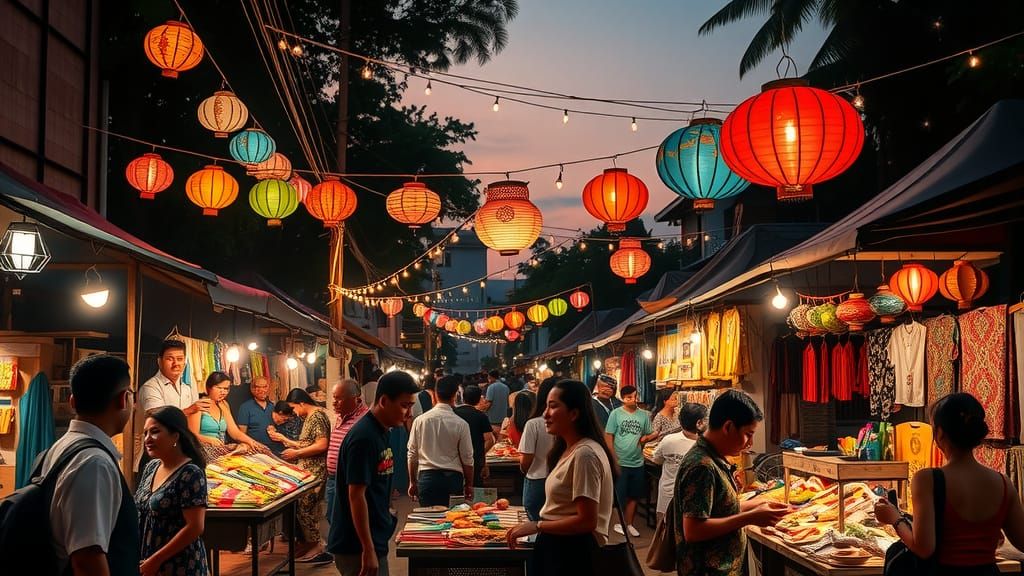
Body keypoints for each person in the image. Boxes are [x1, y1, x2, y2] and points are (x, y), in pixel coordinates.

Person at [874, 393, 1024, 575]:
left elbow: (923, 548)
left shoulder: (927, 479)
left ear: (939, 433)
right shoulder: (1003, 483)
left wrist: (895, 518)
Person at [38, 354, 139, 575]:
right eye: (132, 395)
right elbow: (87, 561)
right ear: (123, 399)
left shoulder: (62, 446)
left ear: (72, 401)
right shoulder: (94, 464)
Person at [506, 379, 616, 573]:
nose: (545, 414)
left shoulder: (585, 454)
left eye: (553, 407)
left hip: (570, 551)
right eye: (546, 406)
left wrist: (537, 525)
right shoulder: (570, 449)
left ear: (574, 414)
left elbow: (587, 521)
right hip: (558, 545)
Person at [676, 389, 790, 576]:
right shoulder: (702, 466)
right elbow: (694, 530)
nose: (750, 443)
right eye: (748, 434)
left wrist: (757, 504)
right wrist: (751, 517)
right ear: (728, 427)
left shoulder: (713, 458)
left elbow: (717, 508)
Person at [328, 371, 420, 576]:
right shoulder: (364, 437)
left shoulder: (382, 431)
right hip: (356, 546)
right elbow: (356, 495)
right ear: (384, 401)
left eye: (411, 406)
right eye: (405, 405)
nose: (409, 413)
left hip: (372, 539)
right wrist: (367, 549)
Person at [136, 406, 208, 576]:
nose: (148, 439)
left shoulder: (190, 472)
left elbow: (195, 527)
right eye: (145, 433)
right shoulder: (151, 467)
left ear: (175, 435)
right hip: (148, 563)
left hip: (180, 564)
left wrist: (156, 560)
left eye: (154, 432)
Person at [268, 389, 331, 563]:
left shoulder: (317, 416)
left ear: (302, 403)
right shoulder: (310, 417)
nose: (293, 412)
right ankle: (307, 543)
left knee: (307, 507)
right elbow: (307, 443)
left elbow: (321, 444)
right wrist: (287, 442)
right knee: (303, 507)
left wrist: (298, 454)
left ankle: (316, 545)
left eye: (293, 407)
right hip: (308, 470)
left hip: (315, 470)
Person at [138, 341, 209, 470]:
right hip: (156, 452)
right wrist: (190, 409)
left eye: (180, 359)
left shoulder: (187, 386)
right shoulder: (151, 387)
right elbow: (156, 418)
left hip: (179, 451)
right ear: (159, 361)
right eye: (170, 359)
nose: (176, 363)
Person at [408, 375, 475, 506]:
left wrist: (412, 481)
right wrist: (469, 484)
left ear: (435, 394)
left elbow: (412, 454)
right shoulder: (461, 424)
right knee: (452, 521)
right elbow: (467, 458)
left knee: (429, 522)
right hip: (452, 481)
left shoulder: (420, 421)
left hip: (427, 480)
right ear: (455, 395)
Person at [604, 385, 658, 537]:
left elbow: (648, 434)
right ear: (623, 398)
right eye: (629, 397)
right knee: (619, 495)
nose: (633, 400)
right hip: (620, 462)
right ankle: (618, 523)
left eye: (634, 396)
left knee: (634, 495)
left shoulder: (643, 415)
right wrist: (613, 457)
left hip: (638, 462)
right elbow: (608, 436)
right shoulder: (616, 414)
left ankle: (629, 524)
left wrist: (650, 437)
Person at [652, 402, 707, 522]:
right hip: (692, 502)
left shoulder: (668, 440)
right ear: (699, 423)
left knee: (663, 533)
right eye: (705, 419)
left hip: (667, 496)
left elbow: (656, 460)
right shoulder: (705, 447)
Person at [326, 380, 368, 527]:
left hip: (351, 480)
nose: (334, 403)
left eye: (339, 398)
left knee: (349, 521)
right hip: (333, 478)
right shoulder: (339, 416)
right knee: (332, 517)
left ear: (356, 398)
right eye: (334, 398)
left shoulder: (364, 420)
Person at [188, 372, 264, 452]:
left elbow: (234, 432)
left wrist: (253, 442)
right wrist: (209, 440)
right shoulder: (199, 405)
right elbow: (192, 435)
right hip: (202, 452)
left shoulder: (224, 404)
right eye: (219, 388)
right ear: (209, 387)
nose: (223, 392)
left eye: (226, 389)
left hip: (220, 451)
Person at [518, 377, 557, 521]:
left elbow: (526, 459)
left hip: (537, 480)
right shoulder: (571, 424)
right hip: (560, 480)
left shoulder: (534, 424)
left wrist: (524, 468)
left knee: (535, 524)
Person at [454, 384, 496, 489]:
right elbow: (489, 440)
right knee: (474, 491)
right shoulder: (481, 416)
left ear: (463, 398)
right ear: (478, 400)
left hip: (455, 460)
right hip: (475, 462)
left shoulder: (454, 414)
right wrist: (479, 453)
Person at [237, 376, 281, 454]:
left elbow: (280, 428)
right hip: (255, 451)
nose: (261, 390)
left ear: (268, 388)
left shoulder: (273, 406)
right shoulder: (245, 407)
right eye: (258, 387)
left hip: (275, 450)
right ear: (252, 389)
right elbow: (241, 434)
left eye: (264, 387)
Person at [481, 370, 510, 435]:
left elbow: (488, 403)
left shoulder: (491, 387)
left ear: (491, 377)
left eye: (488, 378)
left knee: (493, 438)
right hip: (503, 417)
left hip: (493, 419)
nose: (488, 380)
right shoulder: (506, 387)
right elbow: (508, 403)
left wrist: (482, 410)